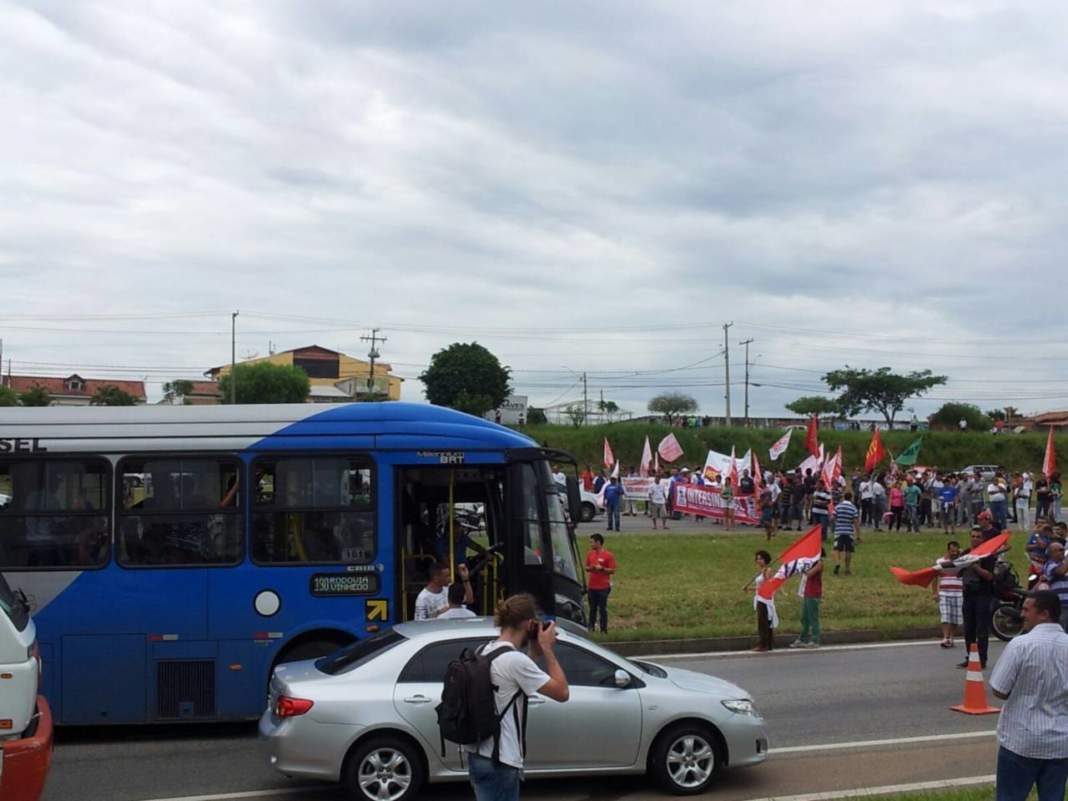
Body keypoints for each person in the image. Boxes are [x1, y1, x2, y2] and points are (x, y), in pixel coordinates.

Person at [465, 594, 569, 801]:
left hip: (477, 755)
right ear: (529, 623)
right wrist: (547, 650)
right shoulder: (515, 661)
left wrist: (533, 654)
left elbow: (509, 684)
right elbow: (562, 693)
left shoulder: (484, 650)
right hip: (501, 761)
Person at [989, 591, 1068, 801]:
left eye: (1026, 609)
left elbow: (999, 689)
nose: (1022, 614)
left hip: (1021, 739)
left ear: (1043, 614)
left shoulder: (1020, 645)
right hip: (1060, 742)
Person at [959, 526, 996, 669]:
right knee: (968, 628)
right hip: (968, 594)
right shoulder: (966, 553)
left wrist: (975, 566)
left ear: (983, 539)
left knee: (981, 629)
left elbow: (989, 576)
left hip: (982, 594)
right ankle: (970, 656)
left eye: (978, 537)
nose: (975, 539)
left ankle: (982, 658)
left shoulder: (988, 555)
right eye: (973, 536)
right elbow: (958, 572)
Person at [743, 550, 776, 652]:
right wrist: (749, 588)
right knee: (763, 621)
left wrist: (765, 574)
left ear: (765, 559)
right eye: (757, 558)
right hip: (759, 597)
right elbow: (759, 587)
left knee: (763, 622)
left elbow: (768, 585)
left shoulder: (768, 570)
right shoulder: (762, 570)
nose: (758, 560)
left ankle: (763, 644)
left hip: (765, 599)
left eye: (761, 558)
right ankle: (767, 644)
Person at [791, 549, 824, 648]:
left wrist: (802, 567)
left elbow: (809, 574)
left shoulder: (819, 563)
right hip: (807, 592)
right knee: (804, 617)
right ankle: (803, 638)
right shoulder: (810, 563)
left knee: (813, 617)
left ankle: (815, 639)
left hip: (814, 593)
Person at [933, 540, 964, 648]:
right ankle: (945, 637)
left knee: (955, 617)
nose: (954, 553)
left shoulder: (963, 562)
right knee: (945, 615)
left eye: (956, 551)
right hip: (944, 593)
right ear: (948, 551)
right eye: (952, 551)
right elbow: (935, 577)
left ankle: (951, 637)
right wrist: (935, 593)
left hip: (958, 593)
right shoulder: (940, 562)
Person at [585, 533, 616, 634]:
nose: (591, 544)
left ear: (598, 542)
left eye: (592, 542)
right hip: (592, 586)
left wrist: (602, 568)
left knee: (602, 609)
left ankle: (603, 629)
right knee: (592, 608)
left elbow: (612, 570)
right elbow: (586, 567)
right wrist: (591, 568)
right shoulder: (590, 554)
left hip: (603, 586)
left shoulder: (608, 555)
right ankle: (591, 627)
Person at [1039, 541, 1068, 631]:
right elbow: (1061, 571)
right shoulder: (1049, 565)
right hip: (1061, 604)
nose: (1063, 552)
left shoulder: (1063, 564)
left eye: (1063, 549)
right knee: (1063, 630)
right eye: (1060, 550)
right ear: (1052, 553)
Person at [832, 491, 860, 575]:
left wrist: (837, 522)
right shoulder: (853, 508)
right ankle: (847, 569)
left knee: (837, 549)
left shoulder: (838, 506)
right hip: (848, 531)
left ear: (844, 497)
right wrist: (858, 534)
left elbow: (833, 517)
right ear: (851, 498)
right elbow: (855, 521)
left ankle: (837, 563)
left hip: (839, 530)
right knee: (848, 550)